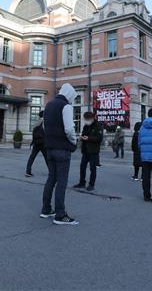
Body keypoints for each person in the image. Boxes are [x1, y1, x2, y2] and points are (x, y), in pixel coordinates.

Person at [41, 83, 79, 225]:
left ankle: (46, 209)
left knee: (51, 179)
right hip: (62, 149)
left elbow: (44, 126)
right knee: (62, 182)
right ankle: (60, 214)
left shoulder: (49, 105)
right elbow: (69, 129)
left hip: (49, 148)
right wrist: (74, 142)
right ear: (69, 94)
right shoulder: (66, 106)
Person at [73, 112, 103, 191]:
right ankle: (82, 183)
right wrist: (81, 137)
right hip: (85, 150)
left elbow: (99, 138)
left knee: (93, 168)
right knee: (82, 167)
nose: (86, 121)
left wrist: (89, 138)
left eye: (87, 119)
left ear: (92, 118)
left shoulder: (98, 126)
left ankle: (91, 184)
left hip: (94, 151)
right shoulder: (86, 126)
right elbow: (83, 134)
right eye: (85, 119)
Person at [25, 110, 46, 177]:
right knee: (47, 158)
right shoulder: (44, 121)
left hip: (36, 143)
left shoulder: (37, 122)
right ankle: (52, 172)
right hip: (43, 143)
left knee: (32, 157)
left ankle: (28, 171)